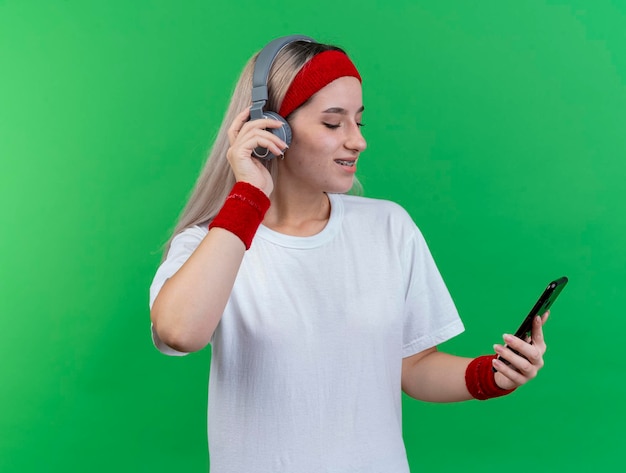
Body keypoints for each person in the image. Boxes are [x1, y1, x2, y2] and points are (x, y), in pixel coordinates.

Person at [149, 35, 549, 473]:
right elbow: (178, 333)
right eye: (333, 123)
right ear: (271, 128)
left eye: (359, 121)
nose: (357, 141)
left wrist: (491, 375)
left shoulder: (388, 227)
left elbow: (413, 366)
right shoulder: (212, 244)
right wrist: (248, 193)